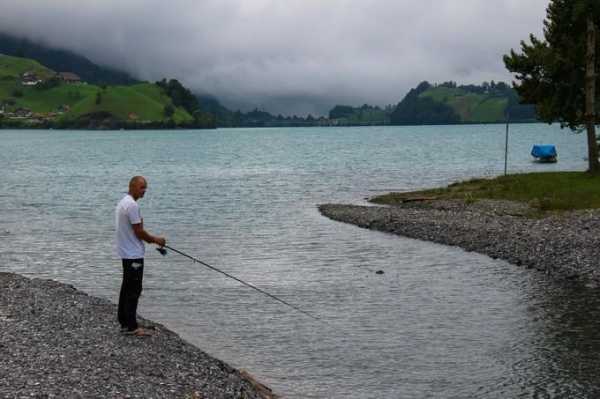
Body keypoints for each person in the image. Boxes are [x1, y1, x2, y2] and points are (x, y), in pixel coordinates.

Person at [115, 176, 166, 336]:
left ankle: (125, 321)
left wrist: (144, 231)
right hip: (133, 255)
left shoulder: (124, 202)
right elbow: (139, 232)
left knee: (126, 287)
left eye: (145, 188)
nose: (144, 191)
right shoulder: (132, 205)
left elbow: (136, 227)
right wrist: (156, 240)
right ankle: (131, 327)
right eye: (141, 187)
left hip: (126, 253)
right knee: (134, 289)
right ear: (132, 186)